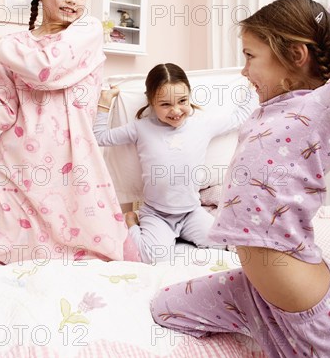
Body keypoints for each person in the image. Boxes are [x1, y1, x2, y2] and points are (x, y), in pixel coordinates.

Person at [150, 0, 330, 358]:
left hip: (305, 304)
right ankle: (257, 330)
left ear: (295, 56)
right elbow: (325, 30)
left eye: (249, 56)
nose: (243, 71)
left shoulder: (327, 111)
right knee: (163, 308)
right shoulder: (276, 106)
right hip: (253, 292)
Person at [0, 0, 138, 264]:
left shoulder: (86, 32)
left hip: (73, 167)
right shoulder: (13, 46)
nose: (73, 0)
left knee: (85, 258)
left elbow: (45, 69)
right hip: (16, 168)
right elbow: (1, 111)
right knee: (11, 260)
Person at [93, 63, 256, 264]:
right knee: (151, 258)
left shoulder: (202, 125)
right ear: (152, 102)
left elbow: (239, 117)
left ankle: (184, 233)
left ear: (189, 96)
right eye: (165, 104)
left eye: (182, 101)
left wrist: (252, 87)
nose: (176, 110)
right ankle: (132, 221)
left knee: (221, 244)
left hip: (190, 212)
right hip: (156, 213)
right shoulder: (140, 128)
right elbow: (99, 137)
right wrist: (104, 103)